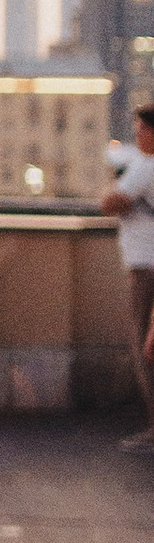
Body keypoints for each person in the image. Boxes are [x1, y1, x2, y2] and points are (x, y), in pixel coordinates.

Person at [100, 105, 154, 457]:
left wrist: (121, 202)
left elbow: (109, 202)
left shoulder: (146, 167)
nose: (137, 135)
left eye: (140, 129)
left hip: (146, 268)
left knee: (144, 348)